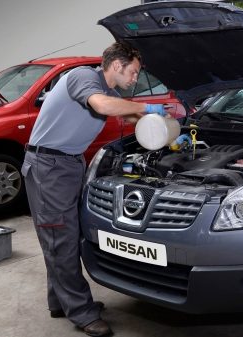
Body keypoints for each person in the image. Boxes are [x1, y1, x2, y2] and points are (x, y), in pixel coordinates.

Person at [21, 42, 167, 337]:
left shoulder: (110, 92)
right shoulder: (83, 78)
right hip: (49, 167)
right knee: (59, 237)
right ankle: (82, 312)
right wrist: (146, 106)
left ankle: (60, 302)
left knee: (64, 234)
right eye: (134, 72)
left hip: (70, 164)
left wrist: (165, 126)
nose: (135, 79)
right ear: (117, 66)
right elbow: (102, 106)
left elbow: (129, 116)